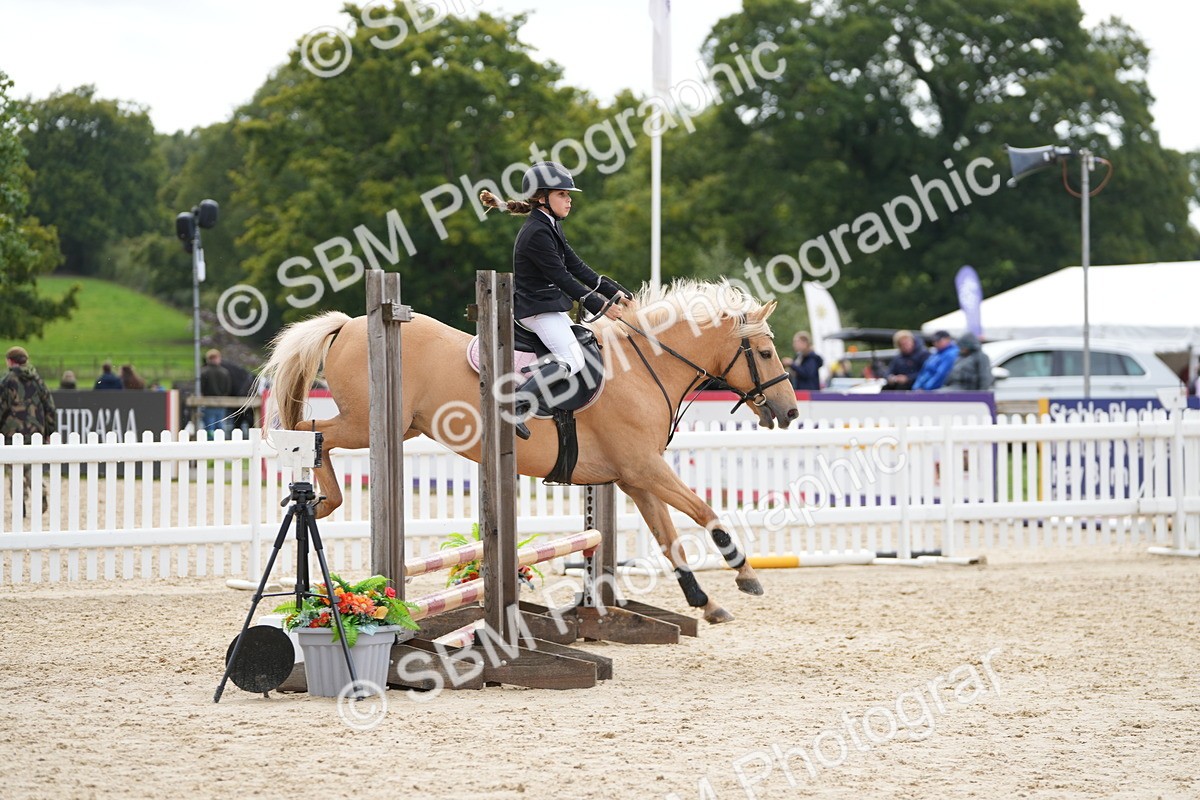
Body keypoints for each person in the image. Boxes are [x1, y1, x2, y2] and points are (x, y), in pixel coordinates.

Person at [479, 161, 633, 439]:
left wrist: (613, 292)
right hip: (536, 310)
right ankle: (515, 403)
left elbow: (576, 266)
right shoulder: (536, 233)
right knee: (571, 358)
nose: (569, 200)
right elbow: (561, 277)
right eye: (562, 194)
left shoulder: (549, 225)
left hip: (549, 306)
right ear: (542, 198)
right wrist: (600, 306)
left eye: (568, 194)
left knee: (583, 345)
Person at [1, 346, 56, 514]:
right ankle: (40, 491)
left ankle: (20, 504)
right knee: (32, 465)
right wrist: (49, 432)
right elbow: (49, 407)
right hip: (35, 431)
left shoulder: (8, 381)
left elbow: (2, 407)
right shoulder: (37, 379)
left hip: (12, 431)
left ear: (10, 361)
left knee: (15, 468)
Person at [200, 348, 233, 437]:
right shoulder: (225, 372)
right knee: (220, 427)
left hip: (207, 404)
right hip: (221, 404)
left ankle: (209, 443)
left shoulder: (203, 372)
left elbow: (201, 388)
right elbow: (228, 389)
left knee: (209, 427)